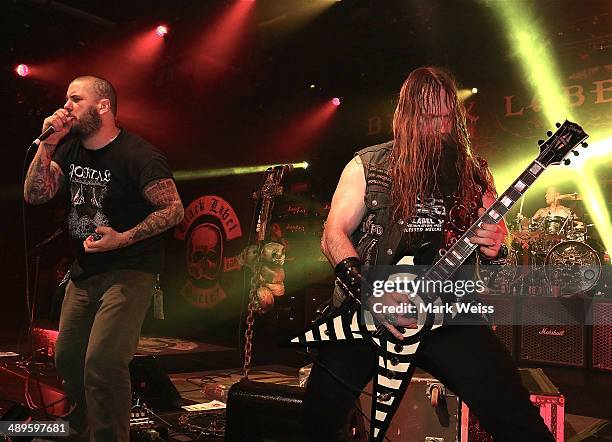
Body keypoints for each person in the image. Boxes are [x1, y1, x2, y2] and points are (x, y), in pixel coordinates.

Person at [302, 67, 554, 441]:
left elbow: (497, 265)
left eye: (446, 117)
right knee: (316, 422)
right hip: (369, 314)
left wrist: (497, 248)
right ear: (407, 115)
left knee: (515, 414)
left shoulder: (473, 174)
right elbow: (332, 236)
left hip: (446, 314)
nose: (438, 127)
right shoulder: (368, 165)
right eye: (428, 117)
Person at [23, 76, 184, 441]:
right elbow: (36, 194)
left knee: (105, 361)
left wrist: (122, 238)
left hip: (130, 269)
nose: (66, 107)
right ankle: (82, 428)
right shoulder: (70, 148)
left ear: (103, 106)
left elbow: (174, 210)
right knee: (68, 358)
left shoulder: (139, 155)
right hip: (85, 272)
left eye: (75, 99)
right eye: (66, 99)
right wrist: (48, 143)